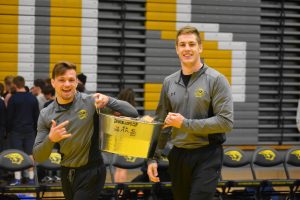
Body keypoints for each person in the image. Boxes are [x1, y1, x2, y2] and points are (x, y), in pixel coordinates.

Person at [147, 26, 234, 200]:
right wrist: (152, 158)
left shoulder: (216, 80)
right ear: (177, 49)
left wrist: (185, 124)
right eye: (183, 44)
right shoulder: (169, 82)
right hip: (178, 154)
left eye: (192, 44)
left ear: (200, 47)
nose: (187, 48)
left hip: (207, 154)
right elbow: (161, 123)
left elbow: (225, 122)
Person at [33, 61, 139, 200]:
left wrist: (109, 100)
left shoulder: (91, 102)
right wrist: (51, 139)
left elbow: (133, 112)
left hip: (92, 171)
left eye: (71, 80)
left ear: (77, 82)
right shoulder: (46, 114)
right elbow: (38, 156)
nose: (67, 84)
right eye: (61, 80)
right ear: (53, 82)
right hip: (66, 173)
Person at [7, 76, 40, 185]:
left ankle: (18, 179)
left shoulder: (13, 98)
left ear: (15, 85)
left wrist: (8, 130)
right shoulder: (32, 98)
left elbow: (9, 117)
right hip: (30, 130)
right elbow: (37, 116)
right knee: (30, 154)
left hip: (16, 130)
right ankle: (31, 178)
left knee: (17, 154)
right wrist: (35, 130)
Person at [113, 88, 137, 183]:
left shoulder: (116, 110)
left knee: (118, 168)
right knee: (123, 168)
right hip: (127, 140)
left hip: (117, 138)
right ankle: (120, 192)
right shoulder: (132, 111)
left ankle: (117, 191)